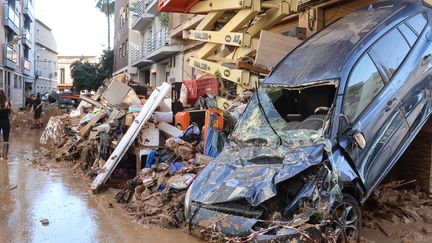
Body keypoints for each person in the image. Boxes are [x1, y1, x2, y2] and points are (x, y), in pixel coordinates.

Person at [0, 89, 15, 160]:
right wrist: (11, 120)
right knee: (6, 140)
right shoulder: (8, 103)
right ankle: (5, 157)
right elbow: (15, 113)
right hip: (6, 122)